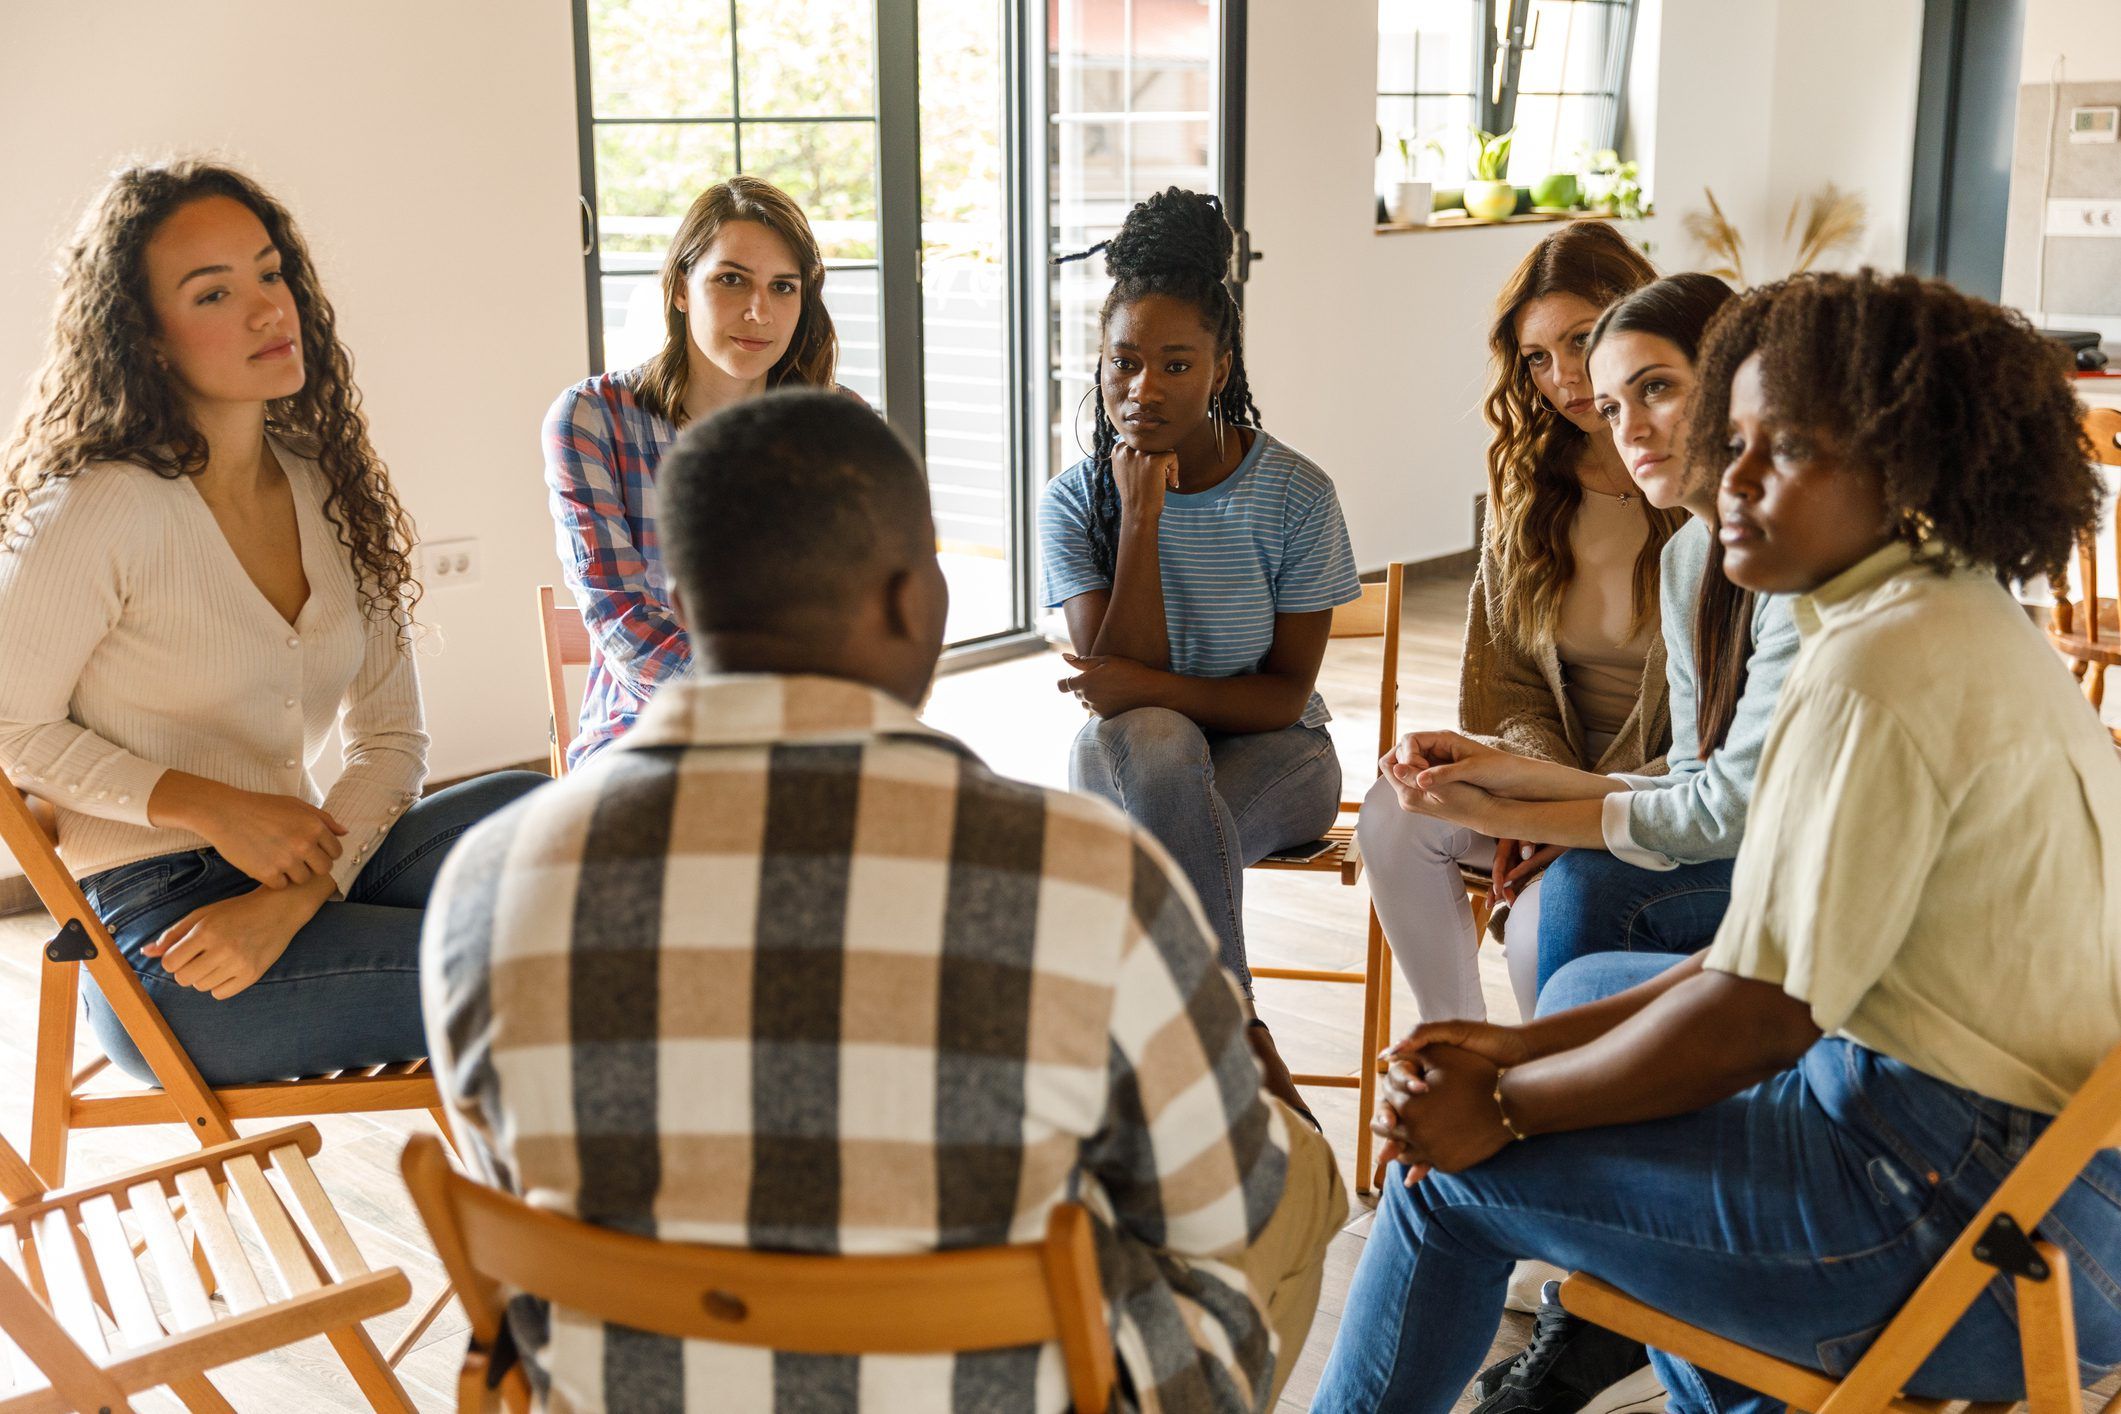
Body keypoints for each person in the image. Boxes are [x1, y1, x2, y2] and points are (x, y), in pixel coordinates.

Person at [426, 390, 1348, 1413]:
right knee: (1298, 1177)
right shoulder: (1079, 875)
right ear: (922, 604)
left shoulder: (486, 883)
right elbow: (1222, 1210)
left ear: (681, 607)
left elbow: (521, 1209)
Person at [1313, 270, 2121, 1413]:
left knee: (1451, 1183)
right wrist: (1505, 1054)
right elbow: (1752, 960)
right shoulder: (1936, 612)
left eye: (1778, 450)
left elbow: (1756, 1015)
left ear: (1899, 463)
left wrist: (1500, 1111)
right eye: (1729, 441)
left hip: (1969, 1226)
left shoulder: (1877, 670)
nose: (1724, 477)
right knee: (1597, 1004)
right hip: (2041, 1195)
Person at [0, 160, 543, 1087]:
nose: (266, 309)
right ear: (146, 339)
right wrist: (211, 807)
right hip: (170, 940)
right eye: (214, 292)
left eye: (269, 272)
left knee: (532, 813)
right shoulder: (96, 507)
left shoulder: (326, 485)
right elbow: (12, 730)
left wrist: (295, 896)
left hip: (302, 873)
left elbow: (391, 741)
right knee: (556, 964)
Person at [1378, 271, 1802, 1408]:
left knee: (1575, 932)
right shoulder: (1688, 559)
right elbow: (1698, 774)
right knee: (1563, 905)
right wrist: (1511, 782)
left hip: (1807, 944)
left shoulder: (1808, 579)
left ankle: (1586, 1249)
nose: (1617, 417)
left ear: (1742, 381)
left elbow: (1723, 812)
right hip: (1738, 865)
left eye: (1651, 386)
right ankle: (1588, 1243)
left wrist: (1524, 812)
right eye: (1610, 401)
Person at [1038, 187, 1362, 1118]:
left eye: (1175, 364)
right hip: (1134, 758)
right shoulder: (1076, 502)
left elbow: (1279, 697)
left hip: (1284, 760)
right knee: (1160, 750)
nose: (1143, 389)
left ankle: (1162, 1070)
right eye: (1124, 363)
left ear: (1219, 368)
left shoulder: (1295, 494)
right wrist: (1139, 514)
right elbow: (1125, 709)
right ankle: (1239, 1044)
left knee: (1164, 806)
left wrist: (1140, 684)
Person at [1356, 221, 1681, 1029]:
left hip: (1662, 797)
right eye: (1537, 358)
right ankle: (1453, 1040)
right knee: (1393, 810)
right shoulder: (1527, 487)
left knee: (1543, 933)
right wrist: (1525, 786)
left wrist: (1558, 813)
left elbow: (1731, 733)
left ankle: (1545, 1106)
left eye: (1580, 341)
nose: (1563, 378)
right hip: (1550, 780)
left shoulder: (1702, 491)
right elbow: (1504, 684)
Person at [544, 175, 853, 767]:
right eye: (731, 279)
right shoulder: (591, 419)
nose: (759, 310)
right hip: (642, 736)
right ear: (681, 287)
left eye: (783, 287)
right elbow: (623, 619)